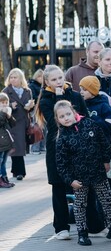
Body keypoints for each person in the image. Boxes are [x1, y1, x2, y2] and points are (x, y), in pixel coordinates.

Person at [54, 100, 111, 246]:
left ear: (74, 112)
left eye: (68, 114)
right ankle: (82, 233)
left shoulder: (89, 124)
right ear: (57, 120)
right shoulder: (62, 138)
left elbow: (103, 142)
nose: (66, 118)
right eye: (62, 116)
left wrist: (106, 160)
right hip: (79, 179)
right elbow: (61, 163)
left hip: (98, 173)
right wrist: (70, 180)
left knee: (107, 201)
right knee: (80, 205)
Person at [35, 64, 88, 240]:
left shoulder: (74, 95)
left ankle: (90, 223)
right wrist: (58, 101)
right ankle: (61, 227)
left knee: (82, 184)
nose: (58, 82)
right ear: (47, 82)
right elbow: (54, 124)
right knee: (58, 187)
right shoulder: (45, 100)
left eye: (60, 78)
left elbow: (84, 119)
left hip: (78, 147)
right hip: (56, 148)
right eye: (54, 79)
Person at [3, 68, 35, 180]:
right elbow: (1, 107)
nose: (12, 79)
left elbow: (31, 107)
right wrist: (10, 106)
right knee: (17, 146)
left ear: (20, 78)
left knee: (19, 146)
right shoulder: (6, 91)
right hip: (12, 122)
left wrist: (30, 107)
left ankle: (15, 170)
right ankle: (20, 172)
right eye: (11, 77)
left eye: (15, 77)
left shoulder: (27, 91)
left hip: (24, 122)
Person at [79, 76, 111, 142]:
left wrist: (94, 118)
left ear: (92, 91)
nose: (81, 92)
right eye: (80, 89)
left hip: (101, 143)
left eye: (84, 89)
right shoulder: (82, 104)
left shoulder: (104, 106)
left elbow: (110, 127)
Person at [28, 69, 46, 155]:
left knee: (44, 129)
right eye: (39, 76)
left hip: (43, 109)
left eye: (42, 77)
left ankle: (42, 147)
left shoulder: (44, 86)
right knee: (37, 129)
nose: (41, 78)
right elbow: (33, 97)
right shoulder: (32, 85)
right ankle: (35, 148)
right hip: (36, 109)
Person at [0, 93, 16, 188]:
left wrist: (9, 116)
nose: (5, 104)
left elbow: (13, 124)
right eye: (2, 102)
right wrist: (3, 113)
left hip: (5, 141)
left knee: (3, 161)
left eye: (6, 102)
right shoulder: (2, 113)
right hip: (1, 142)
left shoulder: (6, 112)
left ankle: (4, 178)